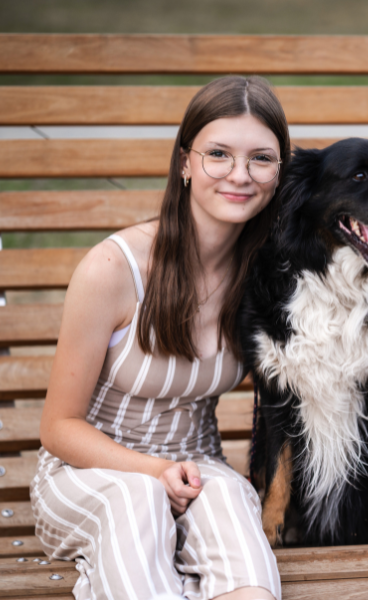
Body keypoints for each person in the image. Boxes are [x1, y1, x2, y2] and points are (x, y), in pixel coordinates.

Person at [31, 76, 288, 600]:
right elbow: (59, 428)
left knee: (233, 504)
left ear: (280, 170)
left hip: (194, 467)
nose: (240, 175)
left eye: (261, 158)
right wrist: (155, 471)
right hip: (89, 472)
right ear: (184, 163)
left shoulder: (266, 274)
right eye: (218, 154)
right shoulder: (113, 268)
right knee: (138, 499)